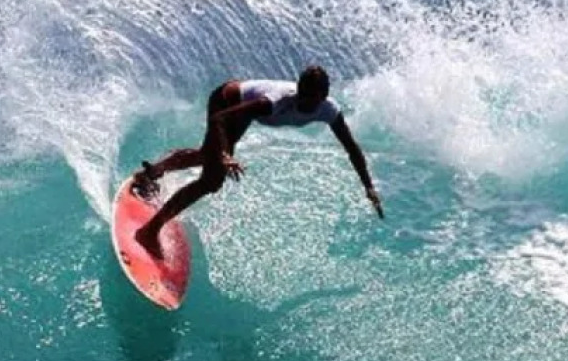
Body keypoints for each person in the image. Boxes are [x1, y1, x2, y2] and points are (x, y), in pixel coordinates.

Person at [131, 65, 382, 257]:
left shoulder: (329, 110)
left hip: (242, 110)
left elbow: (352, 148)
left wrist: (368, 186)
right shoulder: (274, 103)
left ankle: (153, 173)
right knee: (212, 178)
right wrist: (226, 155)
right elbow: (219, 117)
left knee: (209, 155)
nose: (306, 104)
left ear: (325, 96)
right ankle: (149, 232)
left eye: (313, 100)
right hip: (227, 101)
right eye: (303, 96)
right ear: (299, 89)